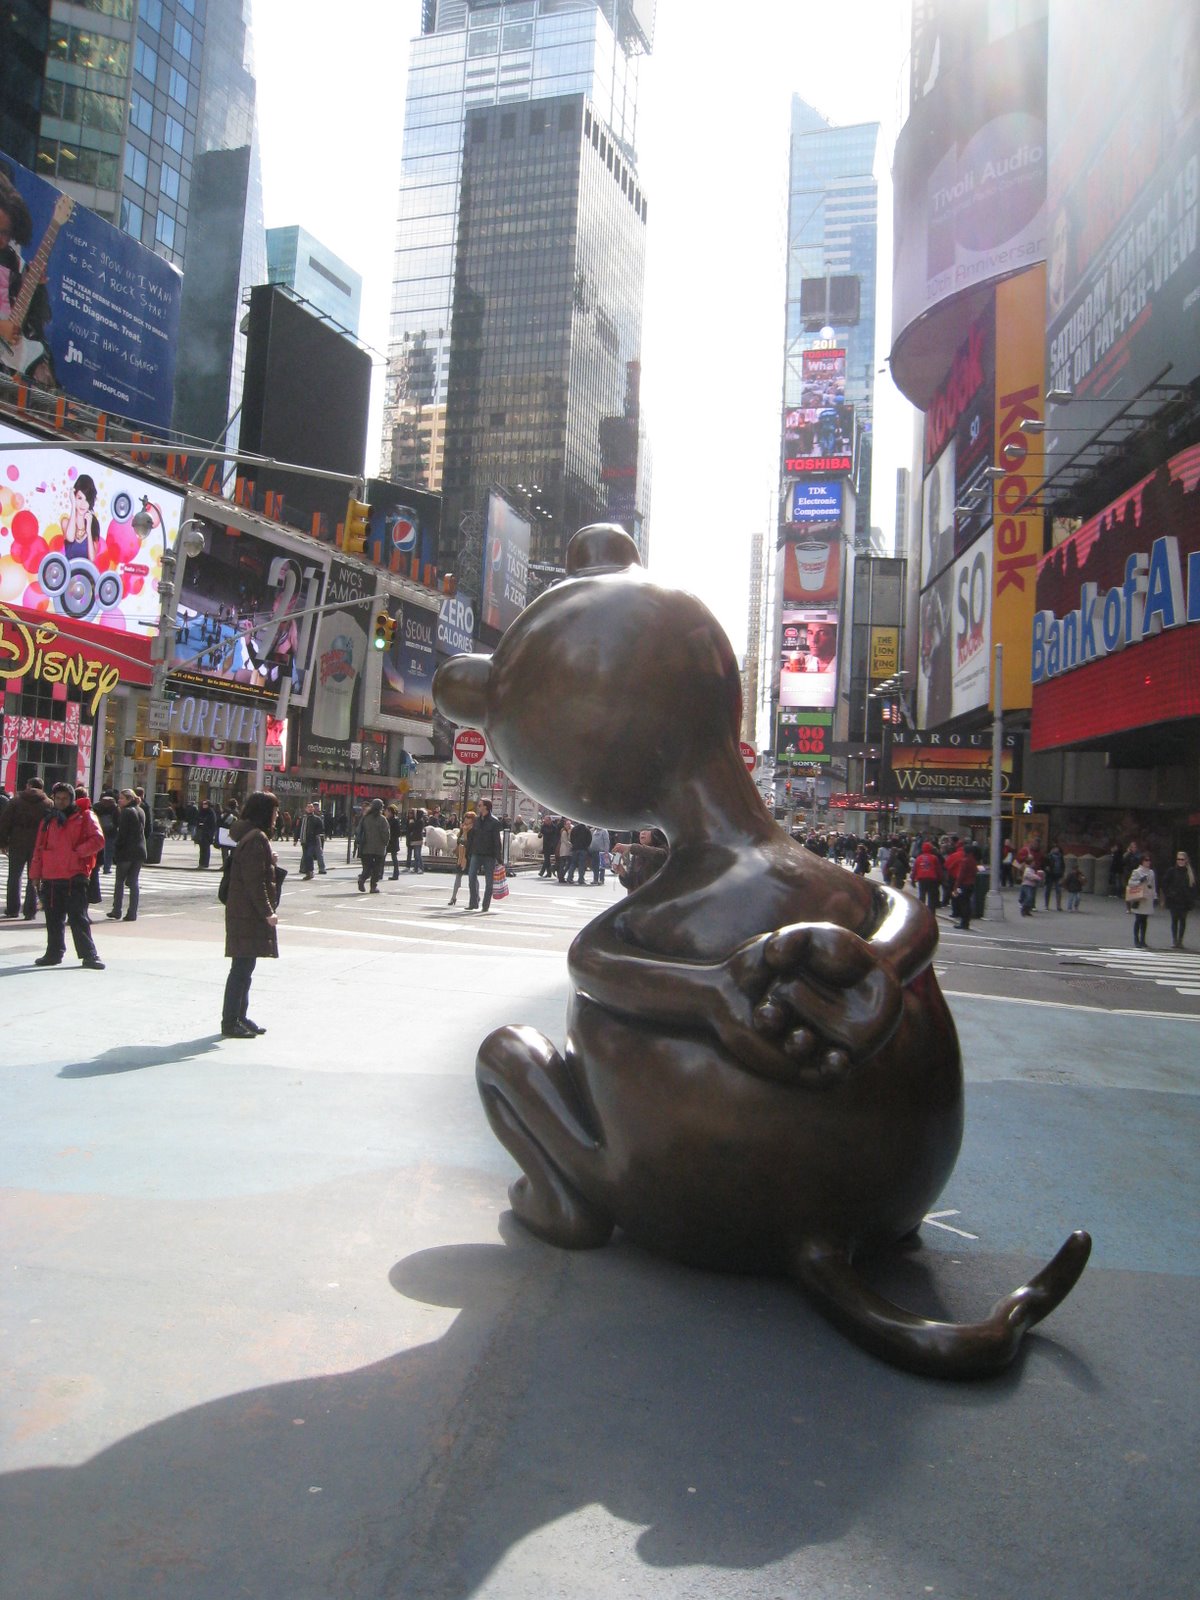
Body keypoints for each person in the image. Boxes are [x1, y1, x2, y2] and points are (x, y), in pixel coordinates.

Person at [221, 790, 281, 1038]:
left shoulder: (249, 836)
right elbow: (254, 882)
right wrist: (268, 912)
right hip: (248, 912)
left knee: (245, 967)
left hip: (242, 910)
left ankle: (239, 1017)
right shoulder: (257, 839)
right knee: (241, 969)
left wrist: (270, 861)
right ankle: (231, 1021)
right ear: (265, 812)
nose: (277, 815)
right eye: (275, 811)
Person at [29, 782, 105, 969]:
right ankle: (54, 953)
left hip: (74, 875)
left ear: (72, 799)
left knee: (78, 917)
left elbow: (98, 840)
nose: (61, 801)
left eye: (65, 798)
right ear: (53, 798)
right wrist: (35, 874)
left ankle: (89, 954)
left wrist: (77, 853)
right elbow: (39, 848)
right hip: (51, 875)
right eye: (58, 798)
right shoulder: (48, 820)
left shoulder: (85, 816)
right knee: (53, 918)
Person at [0, 775, 51, 919]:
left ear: (28, 786)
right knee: (34, 876)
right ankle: (30, 910)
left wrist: (3, 842)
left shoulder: (16, 800)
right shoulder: (48, 803)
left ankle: (12, 909)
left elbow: (5, 821)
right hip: (38, 843)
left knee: (14, 876)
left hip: (17, 841)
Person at [106, 788, 146, 921]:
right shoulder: (141, 810)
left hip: (126, 851)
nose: (119, 800)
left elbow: (122, 834)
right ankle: (132, 912)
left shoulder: (126, 812)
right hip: (139, 850)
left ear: (129, 799)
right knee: (133, 882)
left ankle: (117, 910)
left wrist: (116, 849)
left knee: (120, 881)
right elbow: (146, 830)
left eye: (122, 798)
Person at [467, 797, 503, 912]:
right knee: (471, 877)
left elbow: (497, 841)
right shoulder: (477, 820)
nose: (478, 807)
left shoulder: (494, 822)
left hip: (489, 855)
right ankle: (473, 902)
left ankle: (485, 905)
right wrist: (469, 851)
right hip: (476, 852)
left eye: (480, 805)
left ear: (486, 807)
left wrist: (499, 857)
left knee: (489, 882)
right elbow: (472, 837)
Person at [61, 474, 102, 564]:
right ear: (74, 497)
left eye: (87, 500)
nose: (83, 504)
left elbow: (92, 558)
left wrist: (88, 530)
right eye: (79, 498)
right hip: (69, 571)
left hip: (86, 572)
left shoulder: (93, 524)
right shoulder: (65, 522)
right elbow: (70, 538)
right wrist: (73, 505)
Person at [613, 828, 670, 894]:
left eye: (647, 830)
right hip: (639, 899)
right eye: (641, 830)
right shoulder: (636, 855)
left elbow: (658, 854)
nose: (642, 832)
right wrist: (622, 872)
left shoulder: (664, 850)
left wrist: (631, 847)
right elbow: (631, 885)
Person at [1161, 851, 1196, 949]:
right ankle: (1174, 940)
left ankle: (1180, 940)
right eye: (1178, 859)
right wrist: (1169, 893)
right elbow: (1164, 883)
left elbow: (1194, 887)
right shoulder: (1172, 871)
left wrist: (1191, 897)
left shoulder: (1190, 872)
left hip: (1185, 900)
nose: (1180, 861)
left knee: (1183, 920)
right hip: (1174, 899)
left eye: (1182, 859)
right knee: (1174, 920)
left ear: (1186, 860)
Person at [358, 798, 390, 893]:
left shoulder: (365, 818)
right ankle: (373, 887)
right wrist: (385, 843)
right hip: (379, 848)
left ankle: (362, 878)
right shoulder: (382, 819)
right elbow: (386, 834)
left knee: (367, 867)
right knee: (377, 869)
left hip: (366, 847)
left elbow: (358, 830)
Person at [1124, 853, 1157, 948]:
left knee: (1145, 920)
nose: (1148, 862)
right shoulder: (1137, 872)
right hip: (1139, 897)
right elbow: (1130, 883)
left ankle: (1143, 940)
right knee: (1138, 919)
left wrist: (1155, 896)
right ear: (1142, 861)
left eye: (1149, 860)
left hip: (1148, 897)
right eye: (1146, 860)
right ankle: (1136, 939)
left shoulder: (1151, 872)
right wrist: (1140, 881)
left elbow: (1153, 885)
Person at [449, 809, 476, 906]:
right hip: (461, 856)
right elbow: (459, 841)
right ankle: (453, 897)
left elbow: (470, 843)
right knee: (458, 877)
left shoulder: (473, 830)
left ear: (473, 820)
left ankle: (475, 897)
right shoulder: (462, 828)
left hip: (469, 856)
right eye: (465, 817)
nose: (466, 819)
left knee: (472, 878)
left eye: (469, 818)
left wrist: (464, 835)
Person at [950, 844, 979, 930]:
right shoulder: (973, 861)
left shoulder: (965, 861)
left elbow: (961, 875)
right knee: (967, 903)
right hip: (971, 884)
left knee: (963, 903)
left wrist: (956, 886)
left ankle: (964, 923)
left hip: (964, 884)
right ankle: (966, 922)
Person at [911, 839, 942, 911]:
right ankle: (931, 912)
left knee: (922, 895)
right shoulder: (934, 858)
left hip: (921, 878)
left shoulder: (919, 858)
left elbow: (914, 869)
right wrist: (940, 879)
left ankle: (921, 910)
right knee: (931, 896)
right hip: (932, 879)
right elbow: (938, 869)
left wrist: (913, 879)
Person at [297, 803, 326, 879]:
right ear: (305, 809)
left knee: (309, 855)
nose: (310, 808)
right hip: (304, 840)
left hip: (312, 840)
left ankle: (310, 871)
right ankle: (307, 871)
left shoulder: (317, 818)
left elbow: (321, 828)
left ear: (313, 809)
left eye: (311, 807)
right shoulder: (303, 818)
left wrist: (314, 833)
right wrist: (295, 839)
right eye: (308, 807)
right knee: (306, 856)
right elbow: (298, 828)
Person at [94, 790, 119, 873]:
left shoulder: (97, 806)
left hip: (99, 830)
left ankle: (96, 866)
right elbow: (117, 819)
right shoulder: (115, 806)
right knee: (109, 850)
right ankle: (107, 868)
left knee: (97, 849)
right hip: (111, 831)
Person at [194, 799, 217, 869]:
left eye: (206, 804)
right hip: (201, 832)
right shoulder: (201, 812)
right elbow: (197, 820)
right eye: (203, 804)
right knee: (201, 849)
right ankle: (201, 863)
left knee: (206, 849)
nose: (204, 805)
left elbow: (213, 824)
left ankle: (205, 863)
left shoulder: (211, 812)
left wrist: (211, 834)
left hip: (207, 833)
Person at [568, 819, 592, 884]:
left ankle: (569, 878)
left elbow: (571, 838)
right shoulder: (587, 829)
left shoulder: (574, 829)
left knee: (573, 863)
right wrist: (586, 846)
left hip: (575, 848)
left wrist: (574, 844)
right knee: (582, 864)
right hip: (583, 849)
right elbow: (589, 839)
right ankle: (581, 879)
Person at [1043, 841, 1066, 910]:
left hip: (1058, 875)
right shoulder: (1048, 856)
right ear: (1052, 849)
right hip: (1050, 875)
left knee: (1058, 890)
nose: (1056, 849)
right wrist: (1046, 868)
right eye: (1055, 848)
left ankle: (1058, 906)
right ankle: (1046, 905)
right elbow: (1044, 864)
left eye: (1057, 848)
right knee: (1048, 890)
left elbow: (1063, 865)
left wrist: (1062, 874)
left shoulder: (1060, 856)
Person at [405, 807, 426, 873]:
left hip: (417, 839)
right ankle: (416, 868)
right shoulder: (417, 820)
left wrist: (412, 825)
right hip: (415, 839)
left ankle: (420, 868)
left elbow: (415, 829)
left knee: (417, 855)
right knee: (416, 855)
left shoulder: (420, 821)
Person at [539, 813, 559, 879]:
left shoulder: (554, 827)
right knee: (547, 859)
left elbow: (556, 836)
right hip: (546, 844)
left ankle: (544, 872)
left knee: (547, 859)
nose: (546, 822)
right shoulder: (543, 826)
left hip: (552, 845)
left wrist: (554, 844)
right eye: (545, 820)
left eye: (547, 820)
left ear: (550, 820)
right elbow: (540, 833)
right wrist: (540, 835)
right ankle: (548, 873)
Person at [387, 804, 402, 879]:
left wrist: (391, 837)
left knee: (394, 858)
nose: (386, 812)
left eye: (388, 811)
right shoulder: (387, 819)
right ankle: (380, 873)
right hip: (388, 841)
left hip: (393, 842)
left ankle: (396, 874)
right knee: (382, 857)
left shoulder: (395, 820)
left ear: (391, 812)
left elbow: (398, 832)